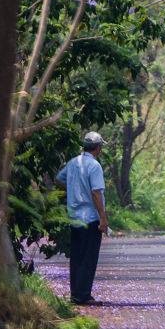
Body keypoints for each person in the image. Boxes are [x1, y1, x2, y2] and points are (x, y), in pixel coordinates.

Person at [55, 131, 109, 306]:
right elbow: (96, 192)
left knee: (77, 257)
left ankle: (75, 294)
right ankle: (83, 295)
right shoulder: (94, 166)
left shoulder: (73, 163)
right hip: (91, 218)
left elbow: (58, 179)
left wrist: (74, 188)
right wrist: (103, 218)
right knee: (88, 257)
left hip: (74, 216)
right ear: (98, 148)